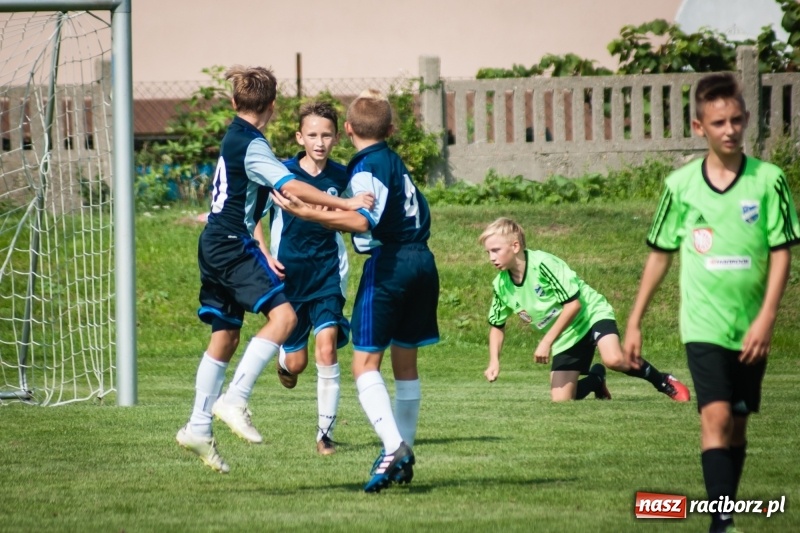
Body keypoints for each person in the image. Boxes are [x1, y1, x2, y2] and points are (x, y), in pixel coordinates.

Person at [624, 72, 800, 533]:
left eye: (737, 120)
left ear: (747, 119)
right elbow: (659, 254)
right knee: (715, 417)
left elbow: (781, 252)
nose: (730, 130)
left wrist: (767, 317)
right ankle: (722, 524)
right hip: (702, 324)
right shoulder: (680, 185)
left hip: (751, 327)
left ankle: (727, 510)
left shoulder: (769, 181)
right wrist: (635, 319)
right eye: (719, 122)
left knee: (737, 425)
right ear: (699, 127)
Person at [176, 66, 372, 473]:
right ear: (273, 106)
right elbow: (291, 186)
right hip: (232, 243)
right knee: (284, 318)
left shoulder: (236, 136)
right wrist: (347, 203)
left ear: (234, 102)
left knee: (226, 335)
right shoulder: (252, 144)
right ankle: (235, 398)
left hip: (216, 242)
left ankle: (198, 427)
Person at [271, 89, 439, 493]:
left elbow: (363, 222)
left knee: (364, 365)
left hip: (391, 266)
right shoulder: (394, 162)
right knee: (405, 364)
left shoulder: (363, 167)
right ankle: (402, 453)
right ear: (391, 130)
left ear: (345, 130)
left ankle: (393, 448)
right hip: (423, 261)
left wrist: (308, 211)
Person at [479, 217, 690, 403]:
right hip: (566, 334)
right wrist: (494, 361)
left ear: (515, 246)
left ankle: (663, 381)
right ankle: (596, 379)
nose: (491, 257)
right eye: (488, 252)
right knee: (561, 401)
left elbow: (574, 304)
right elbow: (497, 325)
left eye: (496, 250)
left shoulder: (543, 264)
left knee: (614, 359)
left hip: (590, 315)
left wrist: (546, 342)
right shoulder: (501, 285)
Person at [266, 101, 351, 456]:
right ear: (300, 137)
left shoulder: (342, 177)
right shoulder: (280, 174)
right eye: (312, 135)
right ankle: (284, 361)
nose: (320, 142)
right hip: (289, 277)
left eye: (326, 135)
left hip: (329, 273)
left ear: (336, 138)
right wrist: (264, 254)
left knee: (327, 346)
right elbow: (251, 217)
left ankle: (324, 435)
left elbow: (358, 218)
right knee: (297, 363)